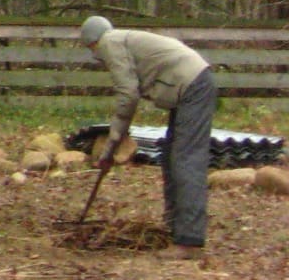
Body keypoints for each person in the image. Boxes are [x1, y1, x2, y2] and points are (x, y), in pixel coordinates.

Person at [82, 16, 217, 259]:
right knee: (170, 156)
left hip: (192, 86)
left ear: (92, 43)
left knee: (186, 159)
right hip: (190, 83)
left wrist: (112, 143)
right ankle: (175, 227)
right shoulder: (121, 38)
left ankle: (189, 242)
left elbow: (128, 95)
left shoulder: (109, 43)